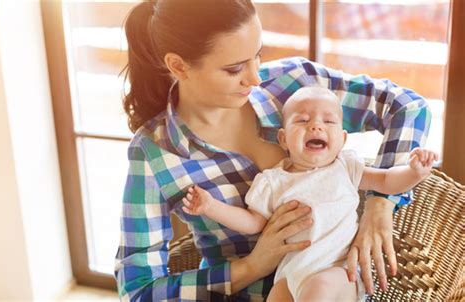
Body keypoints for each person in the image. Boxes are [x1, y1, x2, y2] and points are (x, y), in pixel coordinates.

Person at [115, 0, 432, 300]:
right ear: (178, 66)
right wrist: (251, 266)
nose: (254, 79)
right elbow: (139, 290)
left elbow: (408, 107)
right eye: (234, 69)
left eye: (257, 56)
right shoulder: (154, 154)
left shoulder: (294, 86)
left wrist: (380, 206)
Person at [181, 87, 437, 301]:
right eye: (303, 121)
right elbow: (252, 223)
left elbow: (388, 182)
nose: (316, 126)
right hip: (289, 274)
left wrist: (415, 172)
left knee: (319, 290)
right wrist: (211, 207)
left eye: (328, 121)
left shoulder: (346, 167)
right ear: (283, 139)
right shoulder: (274, 180)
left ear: (342, 138)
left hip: (337, 272)